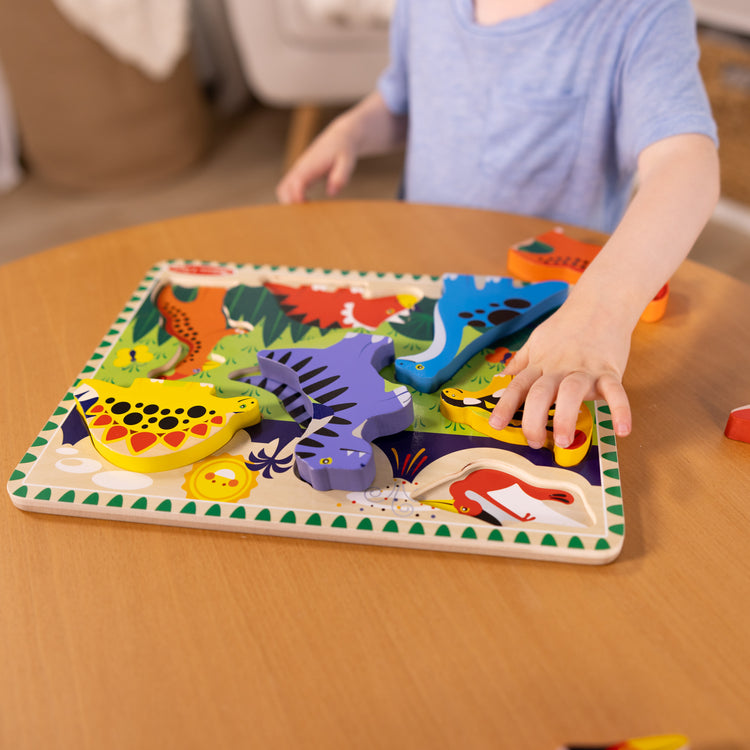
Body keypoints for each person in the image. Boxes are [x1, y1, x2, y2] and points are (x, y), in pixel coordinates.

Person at [276, 0, 719, 451]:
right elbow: (406, 101)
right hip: (415, 285)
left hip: (556, 325)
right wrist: (351, 130)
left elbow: (687, 163)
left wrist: (599, 313)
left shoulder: (644, 12)